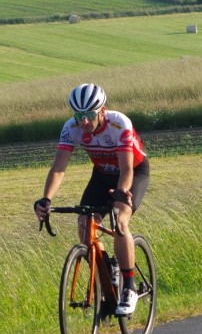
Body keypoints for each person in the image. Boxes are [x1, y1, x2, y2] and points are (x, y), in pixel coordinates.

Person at [34, 83, 150, 316]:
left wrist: (121, 193)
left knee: (120, 221)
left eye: (89, 114)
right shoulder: (71, 128)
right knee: (84, 224)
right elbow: (59, 168)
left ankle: (129, 287)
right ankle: (108, 269)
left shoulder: (119, 124)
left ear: (102, 111)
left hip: (132, 173)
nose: (84, 121)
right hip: (102, 175)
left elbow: (126, 169)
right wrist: (46, 198)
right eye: (79, 115)